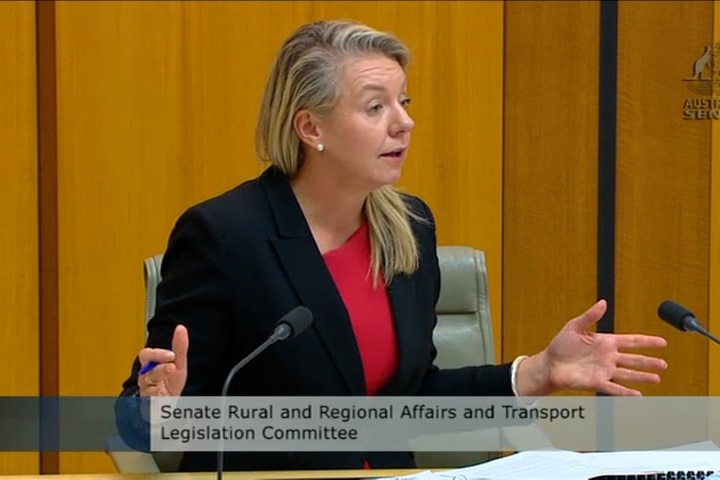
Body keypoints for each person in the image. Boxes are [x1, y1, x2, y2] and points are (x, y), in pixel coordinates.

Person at [116, 19, 667, 472]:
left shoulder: (408, 226)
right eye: (376, 107)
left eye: (403, 101)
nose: (405, 122)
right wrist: (155, 408)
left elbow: (411, 399)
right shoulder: (224, 235)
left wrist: (536, 373)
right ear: (311, 127)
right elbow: (139, 414)